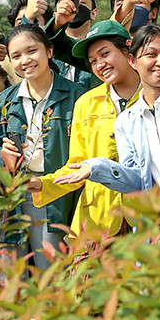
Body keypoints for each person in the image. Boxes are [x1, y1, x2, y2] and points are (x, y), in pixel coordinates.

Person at [51, 23, 160, 213]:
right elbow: (137, 179)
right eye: (151, 55)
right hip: (155, 213)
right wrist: (96, 168)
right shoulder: (126, 120)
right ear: (133, 60)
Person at [0, 25, 87, 267]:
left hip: (55, 197)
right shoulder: (5, 101)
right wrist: (1, 156)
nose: (25, 60)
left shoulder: (77, 96)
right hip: (10, 198)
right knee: (8, 278)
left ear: (49, 51)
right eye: (16, 56)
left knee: (50, 275)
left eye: (32, 51)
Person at [30, 20, 142, 240]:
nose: (100, 64)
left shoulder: (154, 94)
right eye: (93, 61)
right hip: (99, 219)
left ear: (128, 48)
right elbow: (78, 165)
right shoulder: (86, 103)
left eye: (105, 54)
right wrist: (43, 183)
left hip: (146, 213)